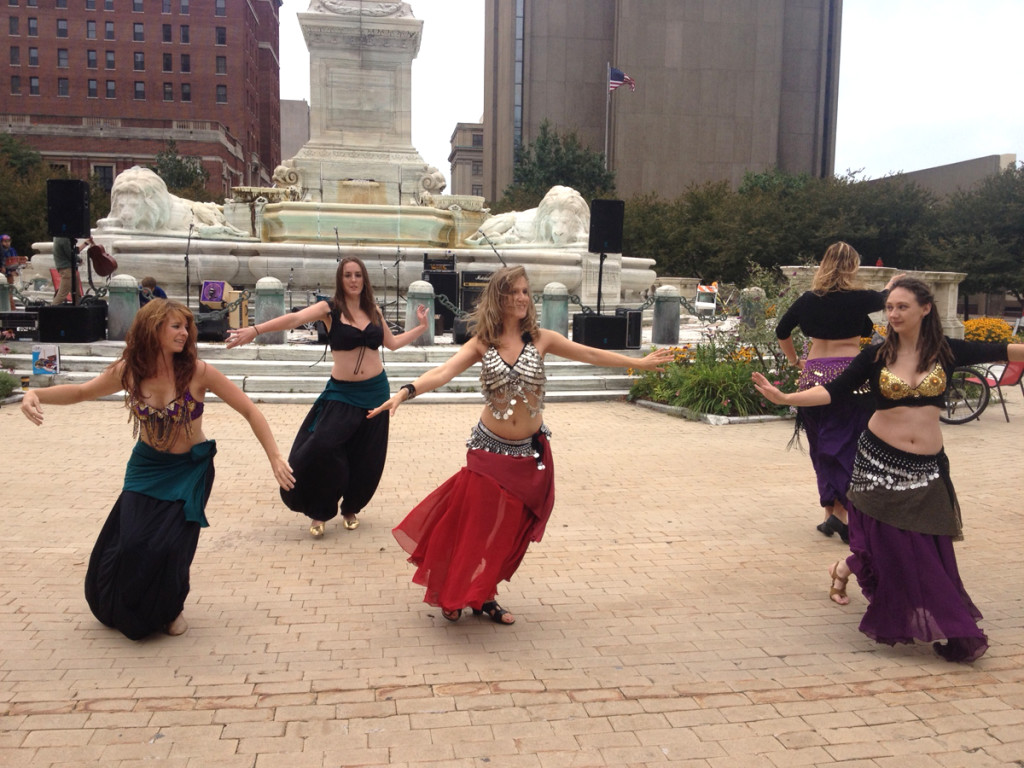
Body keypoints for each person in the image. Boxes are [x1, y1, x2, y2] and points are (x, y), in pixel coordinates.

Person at [368, 265, 674, 625]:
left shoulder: (541, 339)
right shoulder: (483, 343)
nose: (521, 298)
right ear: (500, 297)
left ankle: (483, 595)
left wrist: (638, 363)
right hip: (488, 450)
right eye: (513, 292)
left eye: (526, 292)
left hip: (528, 455)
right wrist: (405, 392)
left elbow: (589, 354)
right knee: (478, 527)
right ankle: (456, 591)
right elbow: (443, 372)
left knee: (508, 532)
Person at [754, 276, 1024, 663]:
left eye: (902, 307)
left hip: (926, 469)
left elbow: (1005, 349)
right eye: (890, 308)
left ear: (925, 309)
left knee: (927, 547)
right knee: (889, 543)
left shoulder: (947, 351)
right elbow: (833, 390)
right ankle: (925, 613)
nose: (893, 314)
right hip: (877, 462)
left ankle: (844, 567)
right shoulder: (876, 356)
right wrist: (786, 396)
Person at [19, 300, 295, 640]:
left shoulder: (198, 371)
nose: (184, 333)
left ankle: (171, 609)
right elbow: (80, 392)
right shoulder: (129, 371)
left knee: (171, 546)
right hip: (147, 467)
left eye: (186, 327)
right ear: (153, 329)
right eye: (176, 326)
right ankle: (122, 601)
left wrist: (275, 457)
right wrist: (35, 393)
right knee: (132, 543)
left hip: (189, 470)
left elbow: (250, 411)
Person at [226, 256, 429, 537]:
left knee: (367, 454)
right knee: (321, 446)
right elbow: (295, 319)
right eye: (348, 275)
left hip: (375, 391)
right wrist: (255, 329)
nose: (354, 280)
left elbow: (392, 344)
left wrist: (420, 328)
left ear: (364, 279)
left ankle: (351, 507)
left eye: (358, 275)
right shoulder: (329, 308)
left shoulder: (373, 310)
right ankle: (319, 508)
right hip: (342, 393)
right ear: (340, 279)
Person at [774, 242, 899, 542]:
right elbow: (888, 298)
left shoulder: (808, 299)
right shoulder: (860, 298)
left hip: (812, 377)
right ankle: (842, 514)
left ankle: (830, 513)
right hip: (849, 376)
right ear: (852, 267)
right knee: (846, 445)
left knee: (821, 446)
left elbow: (781, 331)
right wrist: (893, 283)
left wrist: (794, 360)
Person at [51, 236, 82, 305]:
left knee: (76, 294)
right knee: (62, 294)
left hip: (68, 269)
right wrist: (79, 259)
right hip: (67, 269)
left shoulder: (58, 237)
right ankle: (51, 311)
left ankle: (78, 309)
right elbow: (70, 254)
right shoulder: (63, 238)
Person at [2, 233, 24, 310]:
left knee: (9, 292)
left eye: (8, 241)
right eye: (5, 241)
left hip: (9, 274)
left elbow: (14, 261)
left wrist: (16, 270)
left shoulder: (12, 250)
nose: (7, 243)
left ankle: (12, 309)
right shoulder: (1, 250)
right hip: (2, 274)